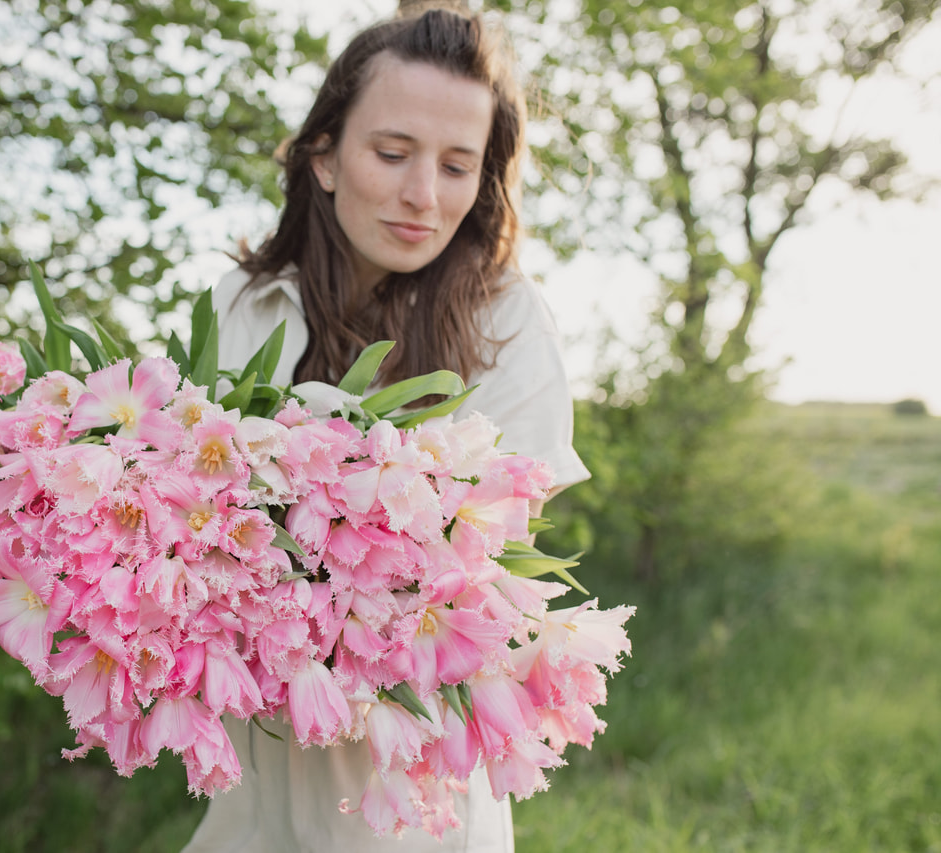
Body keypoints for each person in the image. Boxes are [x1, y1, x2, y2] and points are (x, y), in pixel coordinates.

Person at [181, 7, 589, 852]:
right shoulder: (242, 305)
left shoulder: (508, 324)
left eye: (456, 166)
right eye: (393, 154)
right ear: (324, 156)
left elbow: (480, 582)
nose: (423, 197)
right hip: (259, 781)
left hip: (413, 787)